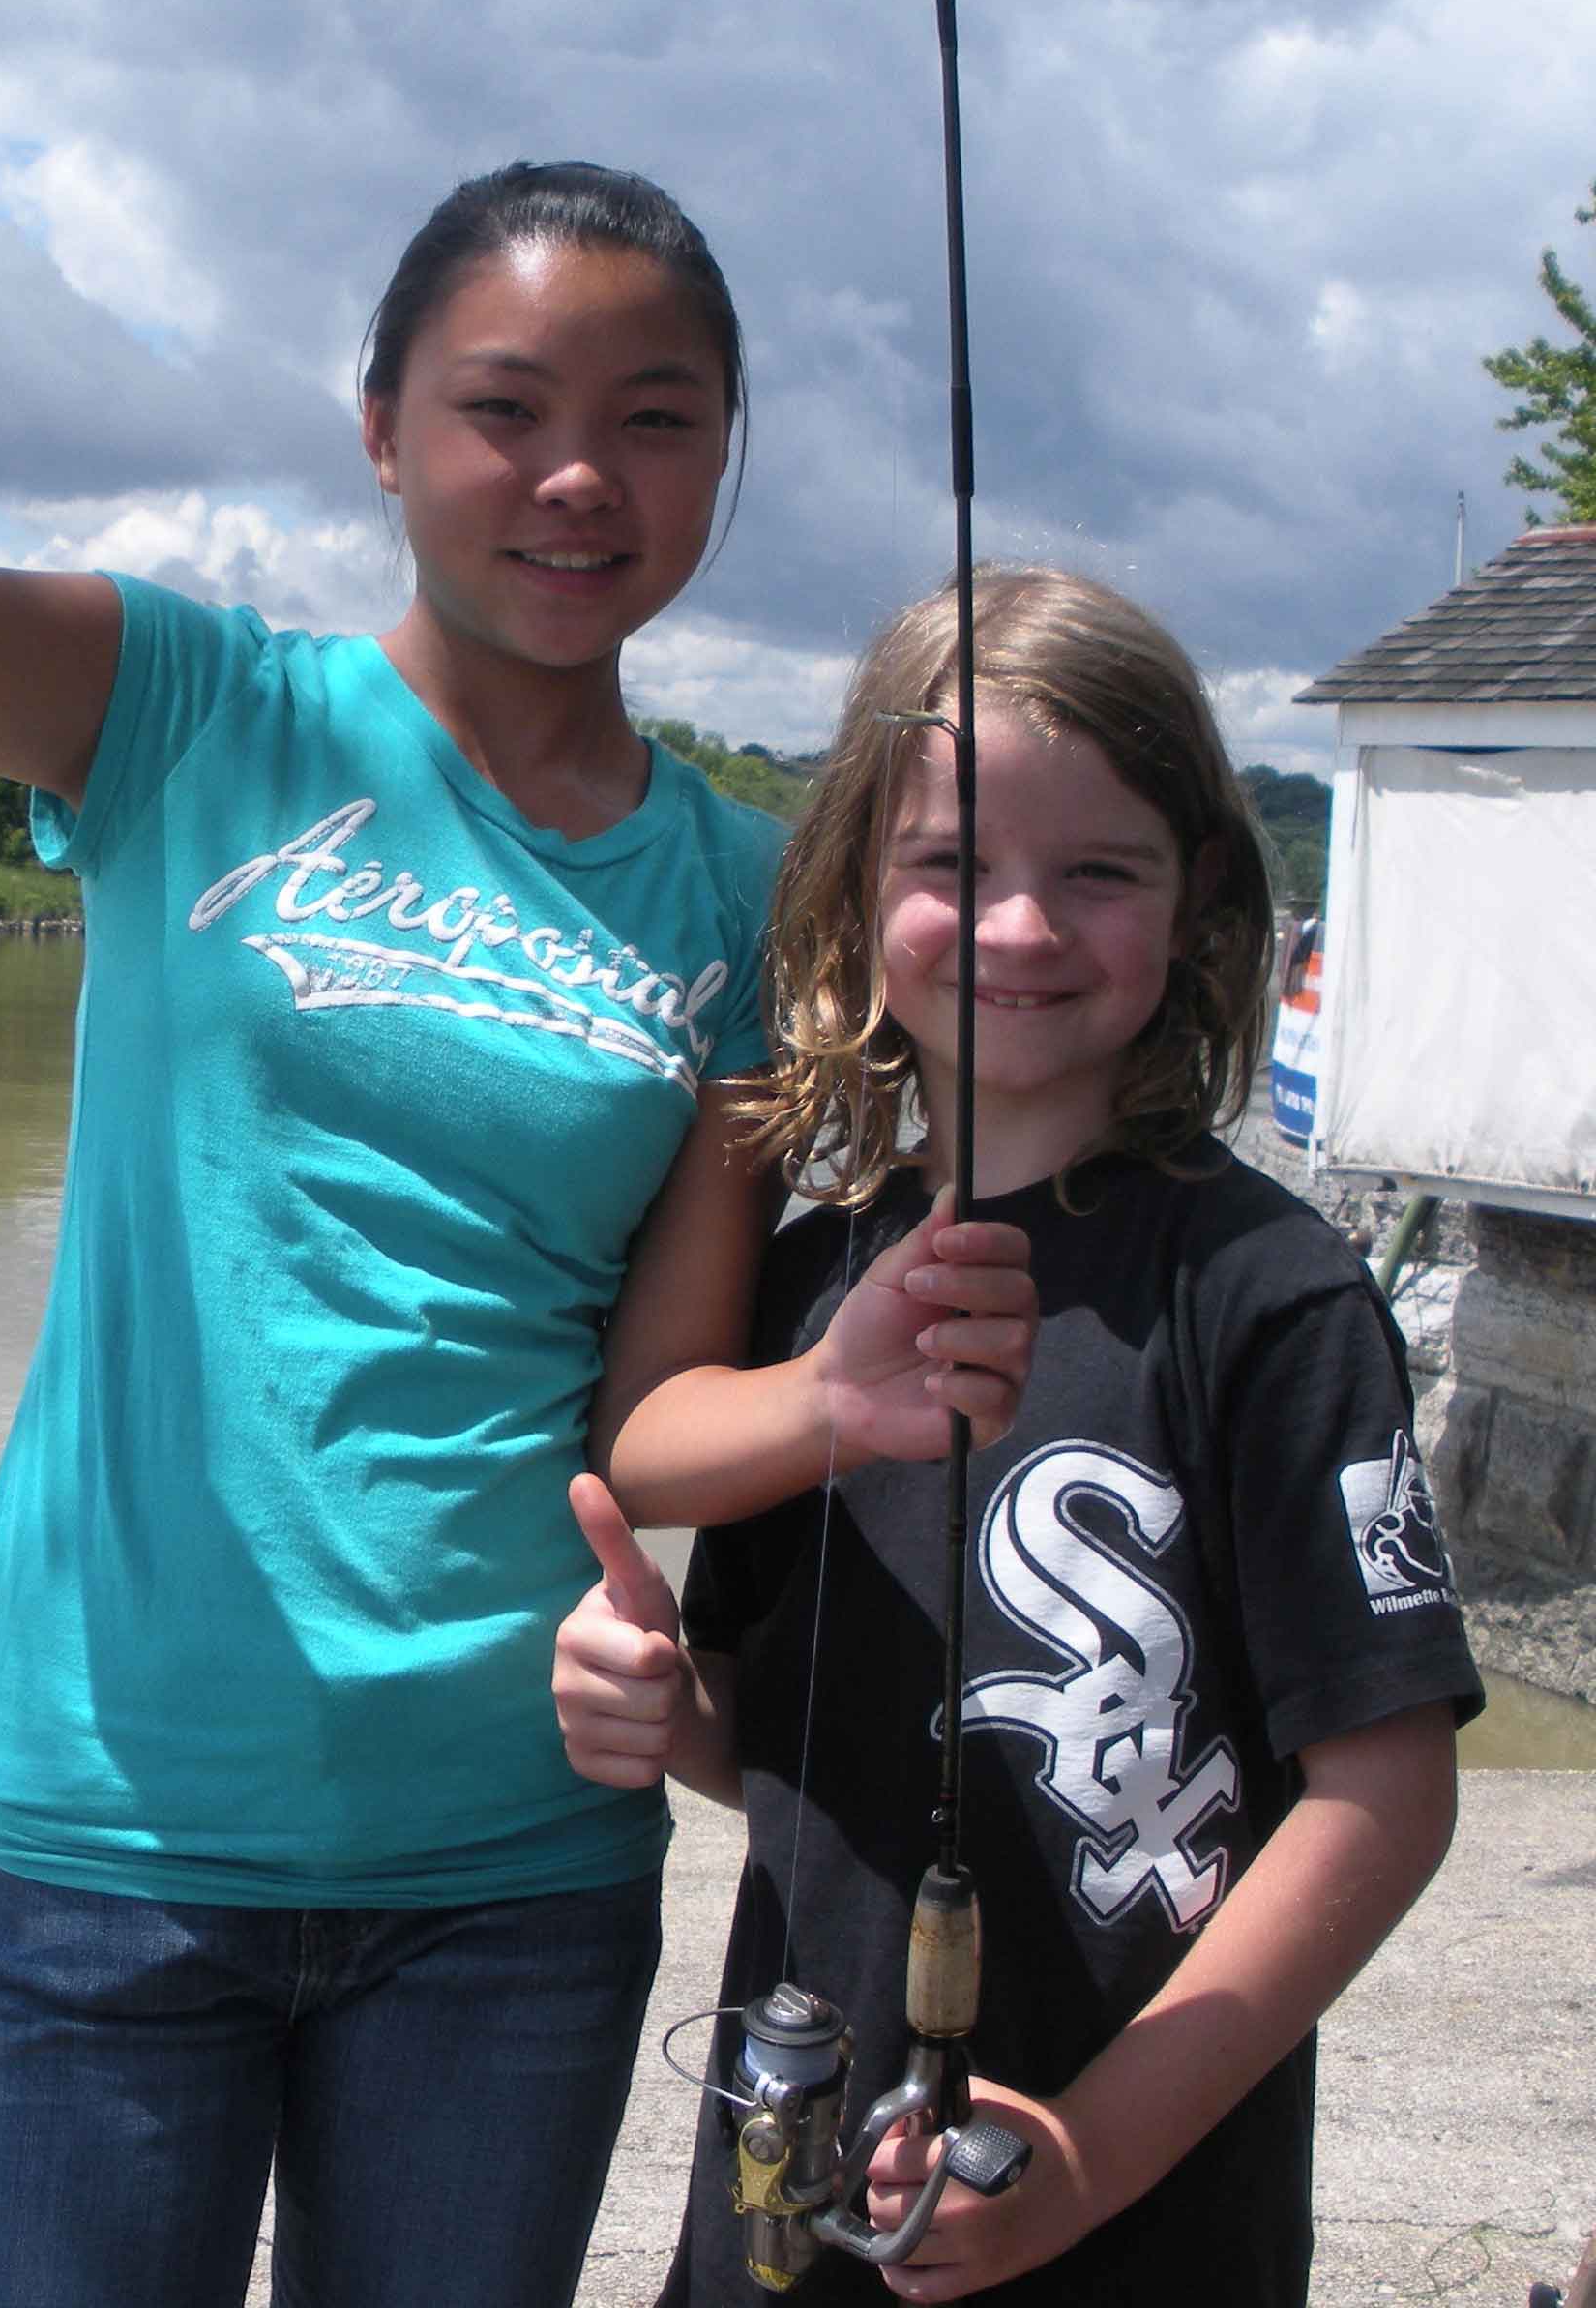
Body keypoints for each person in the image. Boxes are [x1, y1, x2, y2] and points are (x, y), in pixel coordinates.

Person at [0, 0, 1040, 2308]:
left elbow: (645, 1410)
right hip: (113, 1830)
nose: (578, 477)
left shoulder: (743, 895)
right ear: (382, 427)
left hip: (511, 1867)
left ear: (726, 461)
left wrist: (832, 1391)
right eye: (503, 409)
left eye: (657, 420)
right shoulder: (193, 711)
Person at [553, 566, 1483, 2305]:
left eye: (1100, 872)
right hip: (793, 2214)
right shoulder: (812, 1290)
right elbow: (787, 1731)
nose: (1021, 928)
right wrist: (678, 1714)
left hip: (1147, 2226)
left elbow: (1389, 1793)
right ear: (851, 892)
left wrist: (1084, 2161)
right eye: (951, 868)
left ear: (1202, 902)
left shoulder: (1271, 1298)